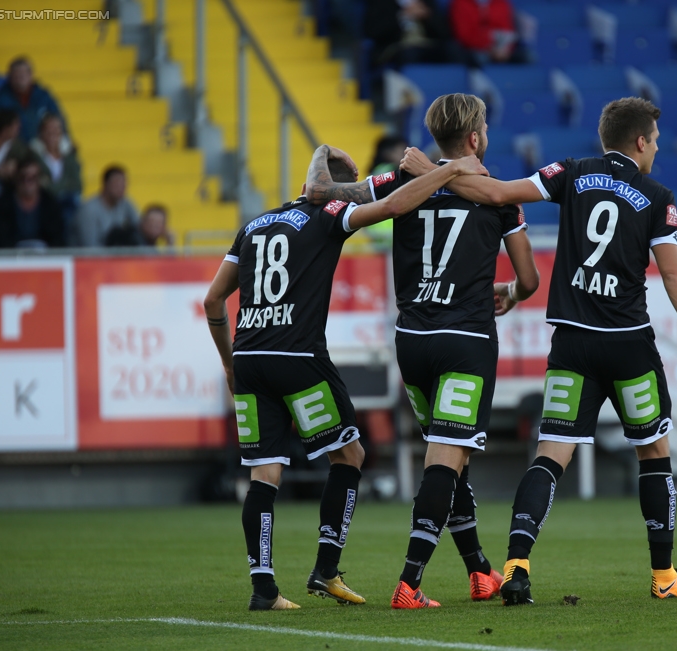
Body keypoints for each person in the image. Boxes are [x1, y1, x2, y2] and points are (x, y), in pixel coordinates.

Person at [401, 96, 677, 603]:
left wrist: (429, 171)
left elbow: (497, 192)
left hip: (572, 342)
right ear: (640, 141)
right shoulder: (657, 195)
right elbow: (673, 272)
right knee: (654, 453)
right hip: (628, 345)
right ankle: (664, 577)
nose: (656, 149)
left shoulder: (571, 172)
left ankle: (517, 564)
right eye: (654, 141)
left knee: (550, 456)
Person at [203, 146, 486, 611]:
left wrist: (230, 364)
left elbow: (213, 302)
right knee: (350, 455)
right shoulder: (330, 212)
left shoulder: (252, 227)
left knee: (264, 474)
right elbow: (394, 206)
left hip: (250, 356)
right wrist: (450, 170)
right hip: (297, 355)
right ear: (336, 189)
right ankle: (326, 569)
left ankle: (264, 589)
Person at [305, 93, 540, 609]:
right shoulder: (500, 196)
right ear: (475, 137)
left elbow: (326, 195)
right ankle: (409, 583)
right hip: (466, 340)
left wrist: (331, 163)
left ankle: (480, 570)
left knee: (451, 458)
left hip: (412, 342)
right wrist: (513, 294)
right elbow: (528, 279)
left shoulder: (402, 180)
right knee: (445, 457)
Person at [0, 154, 64, 248]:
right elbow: (0, 239)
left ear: (39, 179)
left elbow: (57, 239)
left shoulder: (51, 204)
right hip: (11, 259)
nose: (28, 183)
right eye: (23, 177)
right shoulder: (3, 203)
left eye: (33, 178)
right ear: (16, 178)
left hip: (45, 259)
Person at [363, 0, 460, 69]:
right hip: (396, 47)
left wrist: (427, 16)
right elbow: (373, 31)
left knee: (455, 50)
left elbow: (445, 33)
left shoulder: (426, 2)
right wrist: (403, 15)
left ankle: (457, 95)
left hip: (428, 44)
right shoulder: (381, 2)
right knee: (410, 54)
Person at [0, 57, 64, 142]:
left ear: (30, 74)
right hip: (13, 146)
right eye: (16, 74)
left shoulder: (43, 96)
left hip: (41, 144)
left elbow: (58, 118)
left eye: (23, 74)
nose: (20, 78)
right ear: (10, 77)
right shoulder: (1, 99)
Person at [30, 114, 81, 230]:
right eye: (49, 128)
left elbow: (77, 184)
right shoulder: (33, 154)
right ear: (41, 132)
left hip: (67, 203)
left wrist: (52, 186)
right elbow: (37, 183)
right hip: (42, 202)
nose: (53, 132)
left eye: (57, 128)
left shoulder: (69, 155)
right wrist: (63, 185)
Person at [73, 165, 139, 247]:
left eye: (123, 184)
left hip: (116, 255)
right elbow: (89, 246)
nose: (121, 188)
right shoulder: (89, 210)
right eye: (117, 184)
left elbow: (140, 227)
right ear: (105, 184)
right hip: (90, 257)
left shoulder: (125, 203)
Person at [450, 0, 521, 65]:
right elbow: (464, 36)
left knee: (525, 56)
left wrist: (505, 49)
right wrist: (490, 47)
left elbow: (507, 32)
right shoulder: (460, 3)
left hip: (501, 49)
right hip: (473, 49)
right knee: (479, 58)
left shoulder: (501, 3)